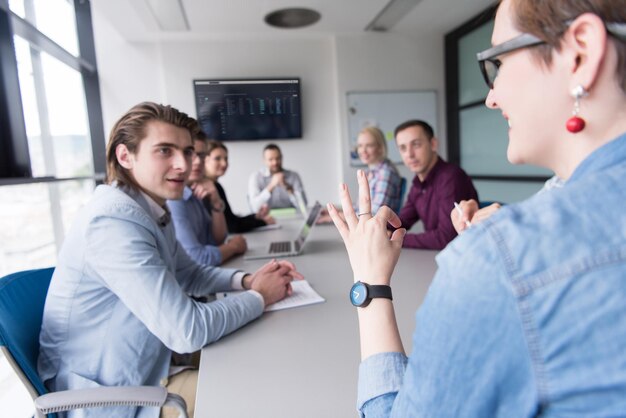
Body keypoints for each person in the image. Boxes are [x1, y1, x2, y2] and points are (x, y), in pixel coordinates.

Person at [328, 1, 626, 416]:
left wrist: (369, 280)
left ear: (581, 51)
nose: (491, 97)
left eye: (498, 63)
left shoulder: (503, 256)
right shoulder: (506, 225)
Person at [38, 102, 303, 418]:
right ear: (126, 156)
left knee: (265, 353)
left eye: (188, 151)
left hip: (150, 366)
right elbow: (187, 329)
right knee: (261, 389)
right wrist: (260, 296)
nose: (183, 164)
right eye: (165, 151)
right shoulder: (112, 224)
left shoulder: (149, 208)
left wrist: (246, 280)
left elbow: (188, 273)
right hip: (109, 400)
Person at [394, 119, 478, 250]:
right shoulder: (418, 182)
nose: (409, 154)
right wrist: (378, 229)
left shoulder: (451, 177)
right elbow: (402, 221)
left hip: (464, 256)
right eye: (403, 148)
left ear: (433, 144)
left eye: (416, 145)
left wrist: (395, 239)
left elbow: (446, 238)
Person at [168, 131, 247, 265]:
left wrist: (216, 203)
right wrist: (234, 247)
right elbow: (198, 259)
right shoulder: (173, 199)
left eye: (201, 155)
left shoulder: (195, 191)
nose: (198, 161)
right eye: (190, 153)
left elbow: (216, 241)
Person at [197, 139, 276, 233]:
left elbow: (230, 219)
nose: (224, 163)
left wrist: (255, 216)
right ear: (204, 160)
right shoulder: (211, 188)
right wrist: (262, 221)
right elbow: (231, 226)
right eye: (217, 158)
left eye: (226, 159)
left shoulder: (215, 185)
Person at [248, 143, 307, 212]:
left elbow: (303, 206)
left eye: (278, 158)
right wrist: (271, 186)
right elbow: (254, 208)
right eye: (270, 159)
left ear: (282, 157)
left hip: (292, 218)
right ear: (264, 160)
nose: (275, 162)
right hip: (266, 220)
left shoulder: (294, 176)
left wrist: (287, 187)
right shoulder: (256, 177)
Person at [356, 126, 403, 214]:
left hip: (379, 226)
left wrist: (341, 216)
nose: (363, 150)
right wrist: (336, 212)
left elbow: (375, 214)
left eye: (369, 145)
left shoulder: (385, 173)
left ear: (380, 148)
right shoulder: (369, 172)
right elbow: (360, 207)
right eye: (360, 145)